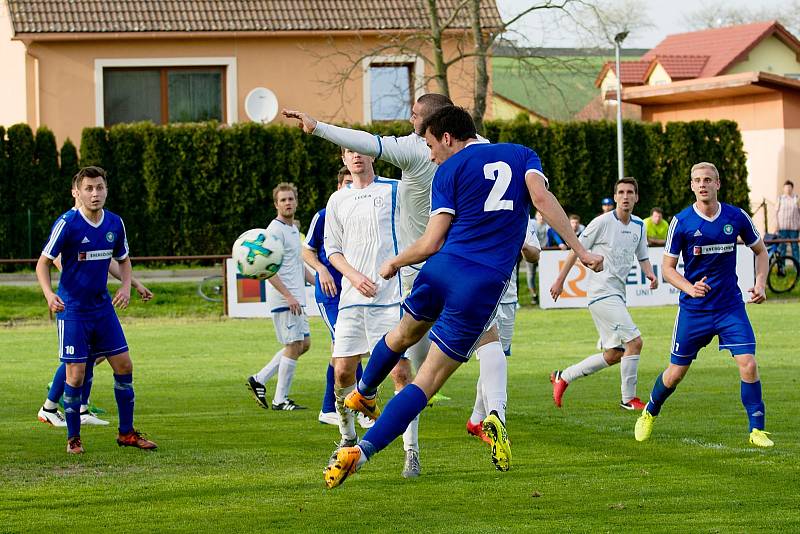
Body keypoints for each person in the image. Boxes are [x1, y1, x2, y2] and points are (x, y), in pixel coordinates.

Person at [323, 106, 603, 488]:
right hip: (480, 286)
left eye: (431, 145)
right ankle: (363, 451)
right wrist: (581, 251)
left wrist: (395, 262)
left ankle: (365, 391)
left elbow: (431, 242)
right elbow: (541, 200)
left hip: (440, 269)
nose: (431, 154)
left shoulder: (449, 171)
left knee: (403, 333)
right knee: (426, 381)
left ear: (448, 138)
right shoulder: (523, 154)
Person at [634, 162, 773, 448]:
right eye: (697, 180)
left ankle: (757, 429)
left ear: (717, 184)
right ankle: (650, 410)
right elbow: (668, 268)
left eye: (708, 180)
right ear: (691, 186)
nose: (702, 185)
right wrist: (689, 287)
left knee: (748, 364)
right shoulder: (682, 222)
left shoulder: (736, 217)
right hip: (694, 311)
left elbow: (761, 251)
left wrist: (760, 284)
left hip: (729, 307)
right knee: (675, 374)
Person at [36, 165, 157, 454]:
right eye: (88, 188)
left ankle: (126, 433)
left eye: (99, 187)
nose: (95, 193)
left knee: (124, 365)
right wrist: (49, 293)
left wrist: (128, 286)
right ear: (77, 192)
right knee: (75, 376)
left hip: (103, 308)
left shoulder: (115, 223)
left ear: (106, 190)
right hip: (74, 310)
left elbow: (122, 260)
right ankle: (73, 437)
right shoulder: (67, 223)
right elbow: (43, 262)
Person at [323, 148, 420, 478]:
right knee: (342, 374)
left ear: (373, 155)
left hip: (392, 298)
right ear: (343, 159)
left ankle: (411, 451)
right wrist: (354, 276)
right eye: (350, 152)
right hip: (352, 299)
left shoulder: (394, 190)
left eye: (362, 150)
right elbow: (332, 251)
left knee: (401, 375)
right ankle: (347, 439)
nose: (357, 156)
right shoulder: (337, 200)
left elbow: (419, 228)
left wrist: (400, 264)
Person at [549, 178, 657, 410]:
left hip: (617, 294)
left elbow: (643, 255)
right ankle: (628, 399)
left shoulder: (639, 225)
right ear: (615, 197)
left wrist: (650, 274)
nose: (626, 196)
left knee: (615, 354)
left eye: (630, 192)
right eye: (621, 192)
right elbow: (576, 249)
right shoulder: (601, 222)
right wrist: (559, 280)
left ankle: (563, 376)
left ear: (637, 197)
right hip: (601, 293)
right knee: (635, 342)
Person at [301, 167, 369, 428]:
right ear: (339, 185)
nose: (352, 186)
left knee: (343, 351)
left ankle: (329, 408)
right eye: (347, 182)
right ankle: (361, 408)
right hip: (330, 294)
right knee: (348, 345)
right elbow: (307, 251)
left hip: (355, 291)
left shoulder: (363, 213)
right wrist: (321, 270)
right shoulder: (324, 215)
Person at [467, 227, 541, 444]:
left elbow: (535, 254)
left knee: (494, 362)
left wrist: (523, 246)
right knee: (490, 355)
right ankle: (495, 423)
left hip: (507, 297)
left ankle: (476, 420)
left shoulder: (522, 217)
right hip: (480, 293)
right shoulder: (478, 207)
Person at [247, 183, 315, 411]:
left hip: (296, 298)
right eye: (283, 200)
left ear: (296, 202)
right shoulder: (273, 231)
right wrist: (288, 296)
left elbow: (297, 264)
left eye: (290, 199)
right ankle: (280, 399)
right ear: (276, 204)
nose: (287, 203)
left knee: (303, 344)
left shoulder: (293, 229)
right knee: (294, 344)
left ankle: (259, 378)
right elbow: (266, 269)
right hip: (286, 300)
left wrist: (319, 283)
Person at [776, 180, 800, 263]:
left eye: (789, 188)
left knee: (795, 248)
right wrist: (777, 225)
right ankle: (782, 269)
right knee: (782, 248)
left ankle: (797, 268)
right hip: (783, 228)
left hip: (794, 228)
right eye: (786, 188)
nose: (788, 190)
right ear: (783, 189)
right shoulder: (780, 199)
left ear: (792, 188)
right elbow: (776, 213)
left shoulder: (796, 198)